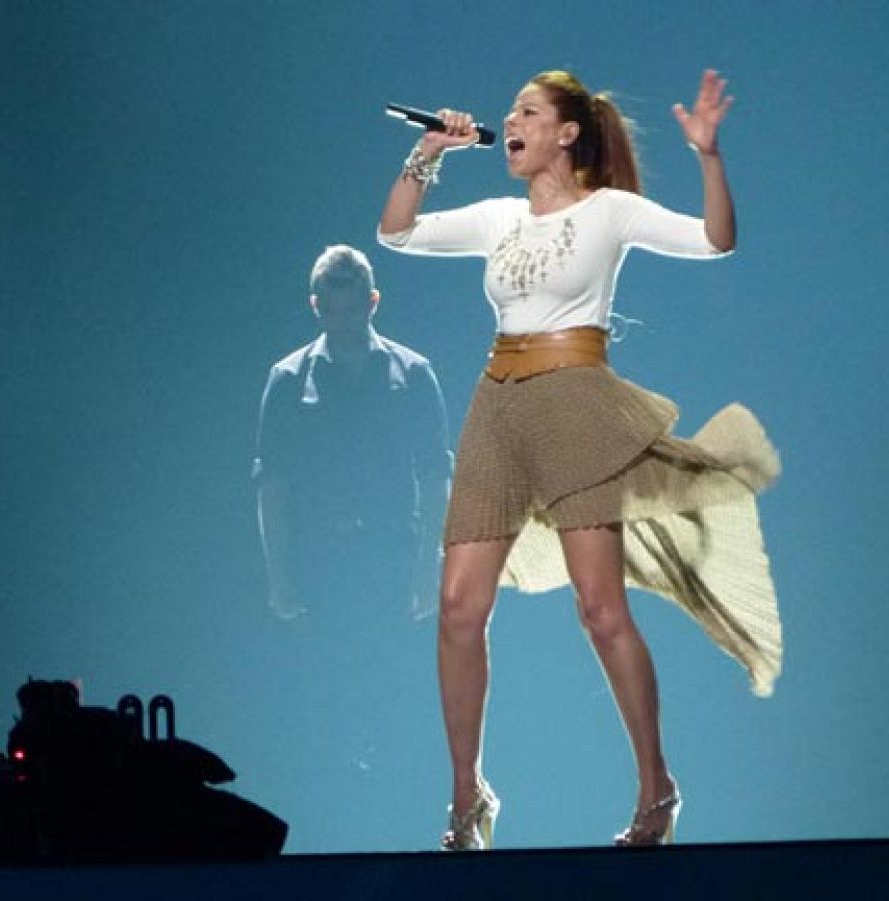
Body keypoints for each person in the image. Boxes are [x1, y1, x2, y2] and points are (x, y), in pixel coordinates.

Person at [376, 69, 780, 850]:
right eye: (508, 114)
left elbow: (715, 240)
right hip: (497, 402)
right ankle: (468, 798)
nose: (511, 123)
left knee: (600, 609)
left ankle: (656, 786)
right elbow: (396, 232)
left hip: (576, 403)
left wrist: (710, 155)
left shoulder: (611, 211)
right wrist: (428, 154)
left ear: (566, 132)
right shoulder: (499, 217)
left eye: (527, 112)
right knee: (460, 608)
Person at [255, 244, 450, 623]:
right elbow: (271, 486)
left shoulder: (413, 375)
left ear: (373, 302)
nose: (343, 321)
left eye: (353, 310)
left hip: (395, 564)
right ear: (316, 306)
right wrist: (278, 575)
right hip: (317, 566)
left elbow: (436, 477)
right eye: (332, 311)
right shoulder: (288, 381)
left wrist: (430, 567)